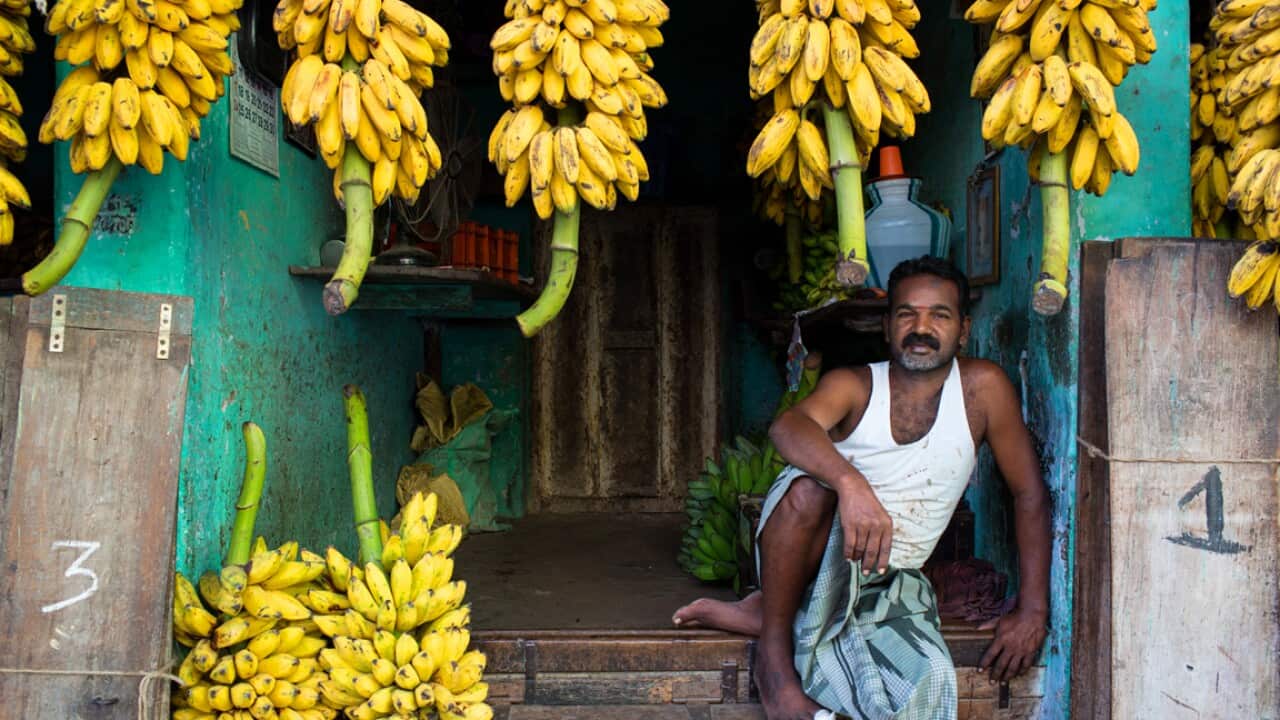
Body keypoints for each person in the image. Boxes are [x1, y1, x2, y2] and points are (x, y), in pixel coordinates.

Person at [673, 256, 1051, 720]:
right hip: (813, 551)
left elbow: (1029, 493)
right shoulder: (853, 385)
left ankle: (774, 607)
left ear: (964, 330)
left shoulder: (983, 390)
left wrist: (1032, 609)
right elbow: (788, 426)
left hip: (890, 578)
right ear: (887, 326)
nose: (922, 327)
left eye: (940, 315)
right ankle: (774, 657)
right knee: (810, 489)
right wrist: (850, 483)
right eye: (907, 314)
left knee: (930, 676)